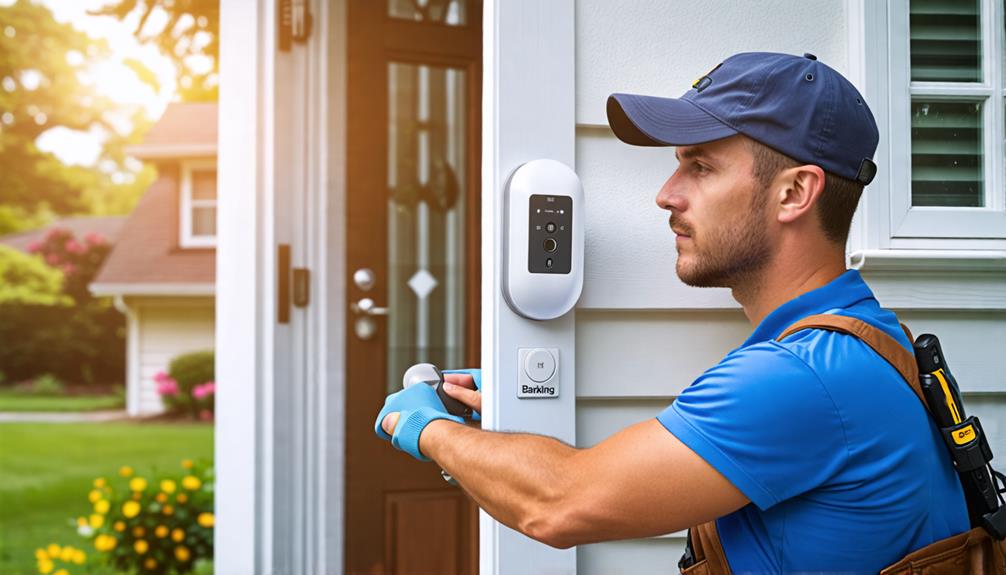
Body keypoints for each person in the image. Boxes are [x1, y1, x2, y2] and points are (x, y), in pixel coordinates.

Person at [374, 51, 970, 572]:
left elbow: (557, 503)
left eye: (701, 167)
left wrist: (426, 427)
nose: (667, 193)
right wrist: (504, 425)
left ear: (795, 192)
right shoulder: (868, 340)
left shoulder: (803, 376)